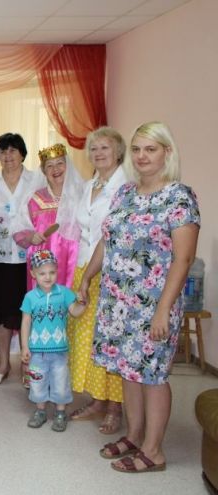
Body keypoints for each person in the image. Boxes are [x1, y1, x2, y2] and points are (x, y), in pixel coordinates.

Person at [79, 122, 199, 473]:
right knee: (128, 371)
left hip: (154, 305)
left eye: (151, 149)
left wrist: (163, 310)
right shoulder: (125, 194)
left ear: (167, 152)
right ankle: (133, 435)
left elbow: (183, 259)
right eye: (137, 149)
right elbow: (108, 240)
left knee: (152, 375)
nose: (142, 156)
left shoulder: (179, 197)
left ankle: (153, 451)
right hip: (117, 303)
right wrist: (87, 276)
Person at [67, 127, 128, 434]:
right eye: (93, 149)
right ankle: (97, 399)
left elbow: (114, 235)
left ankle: (115, 406)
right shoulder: (90, 184)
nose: (98, 153)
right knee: (86, 337)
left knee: (109, 339)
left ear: (118, 152)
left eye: (105, 147)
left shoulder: (126, 187)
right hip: (84, 267)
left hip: (112, 272)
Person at [0, 133, 44, 387]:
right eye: (3, 151)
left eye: (13, 150)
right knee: (2, 314)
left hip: (32, 259)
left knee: (32, 312)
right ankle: (4, 363)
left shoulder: (37, 179)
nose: (8, 156)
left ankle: (30, 366)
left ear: (22, 154)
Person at [20, 250, 84, 432]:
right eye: (42, 273)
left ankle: (60, 412)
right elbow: (25, 322)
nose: (47, 277)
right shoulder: (30, 297)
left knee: (60, 382)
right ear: (33, 274)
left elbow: (75, 312)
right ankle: (40, 411)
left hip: (59, 351)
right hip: (36, 352)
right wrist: (25, 346)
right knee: (37, 381)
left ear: (57, 271)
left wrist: (83, 303)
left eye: (52, 272)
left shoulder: (64, 293)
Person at [12, 143, 84, 289]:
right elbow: (18, 229)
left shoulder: (82, 195)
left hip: (74, 261)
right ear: (43, 171)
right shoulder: (34, 199)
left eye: (60, 163)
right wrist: (31, 237)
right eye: (49, 166)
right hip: (43, 264)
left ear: (67, 166)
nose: (55, 169)